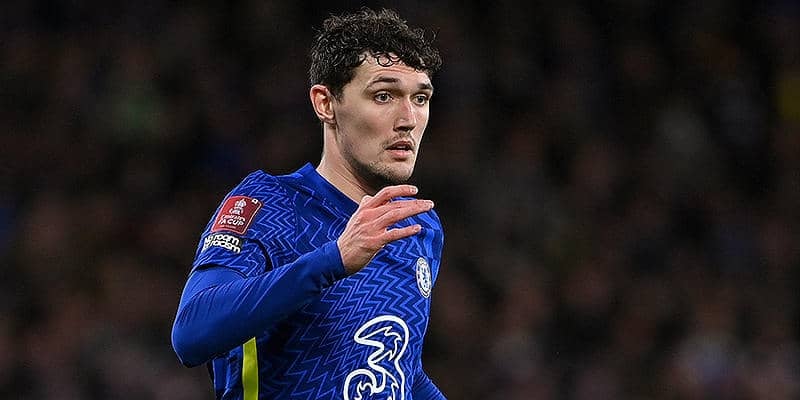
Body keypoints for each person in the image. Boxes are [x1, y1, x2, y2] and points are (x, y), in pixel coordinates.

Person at [171, 7, 446, 400]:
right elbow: (191, 334)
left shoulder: (418, 227)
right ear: (325, 103)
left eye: (420, 98)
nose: (408, 119)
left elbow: (400, 369)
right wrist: (334, 260)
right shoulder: (268, 205)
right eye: (383, 96)